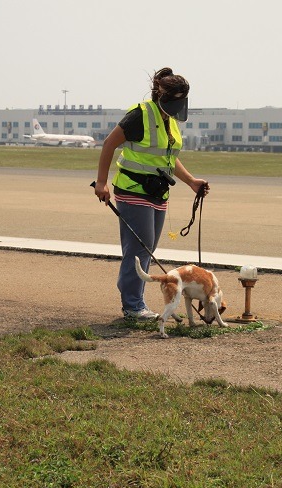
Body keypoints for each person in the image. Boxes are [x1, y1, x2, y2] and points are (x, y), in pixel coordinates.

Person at [94, 67, 209, 320]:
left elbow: (167, 157)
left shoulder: (170, 118)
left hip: (158, 192)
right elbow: (109, 144)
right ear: (161, 96)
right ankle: (133, 306)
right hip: (132, 189)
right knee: (140, 247)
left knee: (148, 247)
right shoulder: (140, 115)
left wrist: (191, 181)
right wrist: (102, 182)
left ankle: (133, 299)